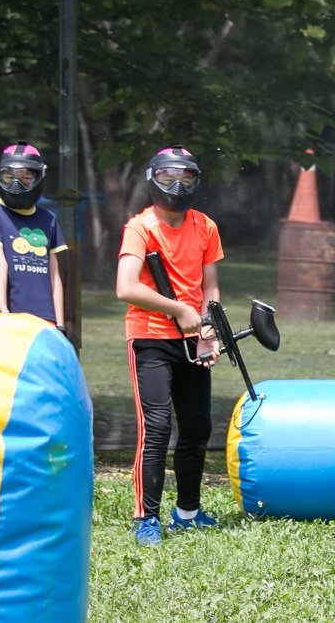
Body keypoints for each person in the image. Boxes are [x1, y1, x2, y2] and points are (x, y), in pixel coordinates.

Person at [115, 146, 223, 546]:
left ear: (197, 181)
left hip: (192, 339)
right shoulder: (140, 227)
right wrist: (178, 308)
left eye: (187, 177)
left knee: (197, 427)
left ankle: (188, 513)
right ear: (152, 179)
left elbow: (209, 288)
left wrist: (208, 330)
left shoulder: (206, 226)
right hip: (149, 339)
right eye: (167, 177)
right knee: (156, 428)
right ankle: (146, 517)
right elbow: (126, 287)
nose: (177, 186)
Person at [0, 142, 67, 329]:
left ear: (38, 177)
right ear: (0, 175)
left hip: (43, 318)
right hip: (6, 316)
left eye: (25, 177)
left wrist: (60, 324)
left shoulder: (47, 218)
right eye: (9, 177)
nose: (16, 185)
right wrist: (2, 310)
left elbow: (54, 276)